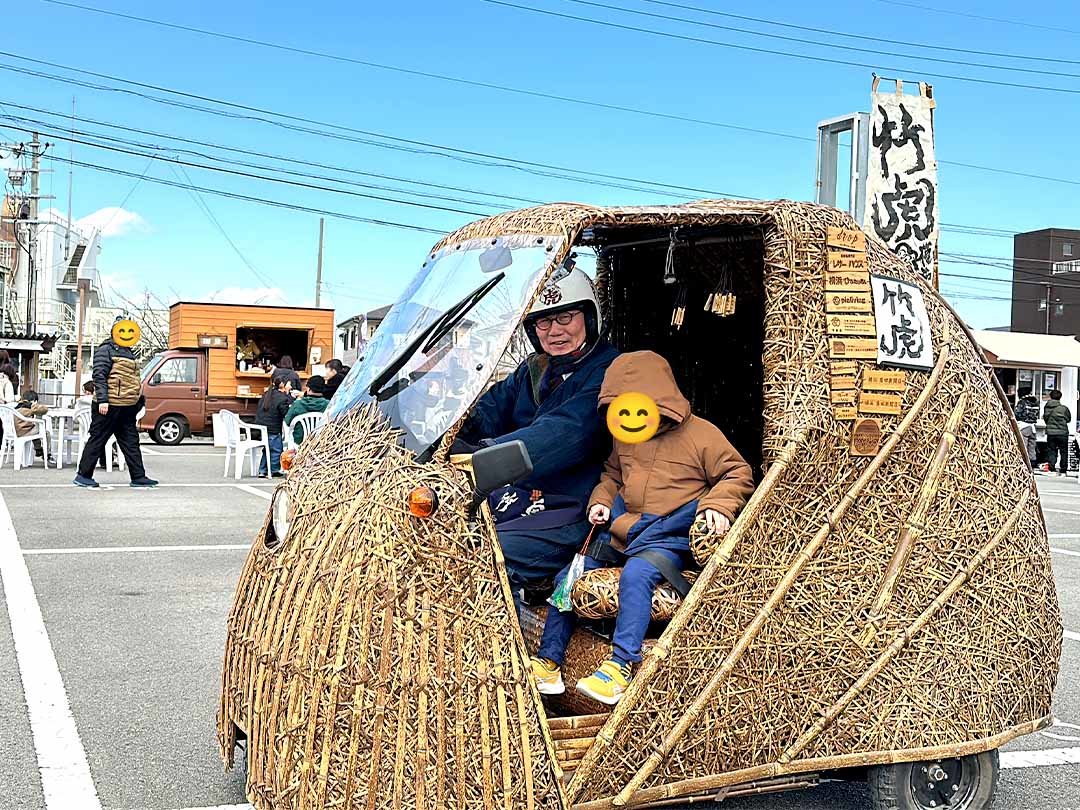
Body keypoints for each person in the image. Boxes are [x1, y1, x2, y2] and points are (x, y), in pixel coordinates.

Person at [530, 351, 754, 705]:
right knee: (568, 577)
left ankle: (619, 666)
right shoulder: (626, 435)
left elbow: (737, 473)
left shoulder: (702, 435)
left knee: (637, 575)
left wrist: (718, 506)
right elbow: (613, 474)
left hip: (668, 536)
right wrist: (601, 501)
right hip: (624, 530)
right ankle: (549, 662)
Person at [454, 264, 620, 598]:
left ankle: (504, 642)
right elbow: (488, 410)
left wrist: (482, 454)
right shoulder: (534, 368)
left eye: (565, 317)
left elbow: (563, 433)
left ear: (589, 317)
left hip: (573, 508)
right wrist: (448, 433)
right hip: (516, 499)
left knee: (481, 554)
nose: (554, 330)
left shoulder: (611, 371)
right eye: (543, 321)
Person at [73, 318, 158, 488]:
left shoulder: (129, 351)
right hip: (108, 404)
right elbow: (99, 375)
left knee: (131, 441)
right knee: (98, 438)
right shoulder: (105, 350)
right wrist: (103, 400)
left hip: (127, 406)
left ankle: (138, 476)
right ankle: (83, 475)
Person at [255, 373, 292, 477]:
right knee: (276, 449)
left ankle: (262, 470)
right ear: (282, 385)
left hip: (260, 428)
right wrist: (288, 394)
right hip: (272, 430)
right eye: (289, 384)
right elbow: (286, 414)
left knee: (267, 449)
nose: (291, 386)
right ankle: (273, 470)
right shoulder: (282, 398)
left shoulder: (267, 394)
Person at [284, 375, 329, 445]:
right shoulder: (329, 405)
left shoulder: (297, 404)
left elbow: (287, 421)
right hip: (320, 442)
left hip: (300, 442)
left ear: (308, 389)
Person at [1043, 389, 1072, 477]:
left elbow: (1046, 419)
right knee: (1063, 451)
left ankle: (1052, 468)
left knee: (1051, 450)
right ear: (1060, 397)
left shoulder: (1047, 407)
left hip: (1051, 433)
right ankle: (1063, 470)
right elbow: (1068, 419)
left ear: (1051, 396)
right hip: (1063, 432)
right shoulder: (1064, 408)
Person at [1013, 387, 1039, 468]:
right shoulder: (1035, 402)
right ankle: (1032, 462)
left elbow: (1017, 414)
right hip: (1033, 427)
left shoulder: (1022, 402)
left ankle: (1024, 464)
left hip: (1023, 426)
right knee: (1032, 446)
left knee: (1023, 446)